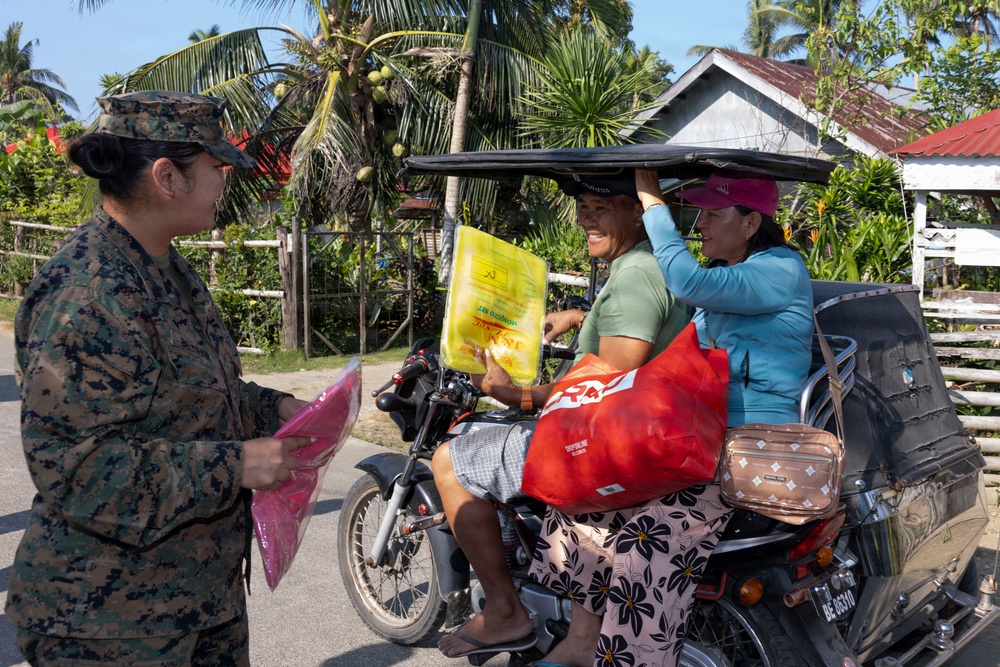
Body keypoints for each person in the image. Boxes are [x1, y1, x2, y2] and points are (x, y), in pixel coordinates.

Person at [6, 91, 311, 667]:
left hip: (195, 602)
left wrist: (281, 409)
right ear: (166, 176)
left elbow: (194, 400)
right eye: (217, 167)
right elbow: (75, 467)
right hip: (106, 622)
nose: (226, 181)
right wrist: (237, 465)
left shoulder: (163, 266)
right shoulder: (87, 291)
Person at [526, 167, 814, 667]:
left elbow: (683, 278)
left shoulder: (778, 269)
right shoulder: (731, 283)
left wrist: (652, 201)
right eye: (697, 212)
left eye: (712, 213)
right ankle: (579, 642)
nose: (699, 224)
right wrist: (580, 319)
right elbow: (674, 336)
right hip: (704, 439)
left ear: (751, 224)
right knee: (579, 501)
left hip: (743, 451)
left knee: (647, 547)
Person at [433, 171, 692, 659]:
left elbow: (606, 385)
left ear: (638, 211)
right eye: (584, 207)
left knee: (450, 460)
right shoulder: (654, 263)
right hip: (650, 433)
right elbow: (633, 331)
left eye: (601, 206)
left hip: (608, 440)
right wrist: (580, 317)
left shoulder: (635, 277)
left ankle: (506, 613)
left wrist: (518, 397)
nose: (585, 217)